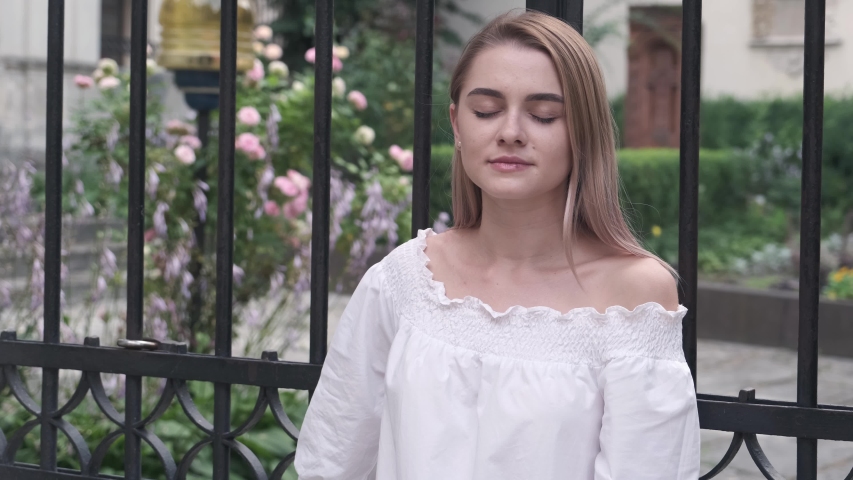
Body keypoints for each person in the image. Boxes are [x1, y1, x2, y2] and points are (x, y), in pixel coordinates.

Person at [294, 10, 700, 480]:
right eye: (486, 110)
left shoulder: (634, 297)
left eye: (544, 114)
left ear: (583, 132)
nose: (510, 131)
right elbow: (332, 459)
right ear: (458, 124)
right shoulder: (404, 282)